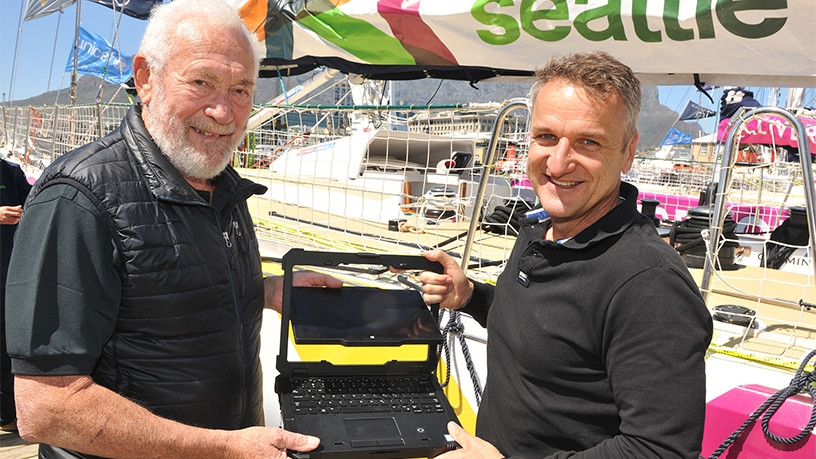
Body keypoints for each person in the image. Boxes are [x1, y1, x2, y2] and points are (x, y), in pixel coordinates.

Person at [4, 1, 341, 457]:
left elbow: (164, 294)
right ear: (145, 77)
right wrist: (222, 448)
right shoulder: (78, 198)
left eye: (241, 89)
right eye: (202, 82)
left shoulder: (220, 185)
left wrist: (266, 291)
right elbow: (48, 407)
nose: (224, 111)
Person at [420, 52, 713, 458]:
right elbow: (552, 329)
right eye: (546, 137)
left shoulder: (650, 284)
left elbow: (660, 450)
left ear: (628, 152)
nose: (557, 163)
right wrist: (470, 296)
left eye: (587, 142)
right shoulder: (541, 230)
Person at [1, 157, 33, 431]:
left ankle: (8, 415)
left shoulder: (10, 172)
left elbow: (35, 203)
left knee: (7, 348)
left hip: (10, 277)